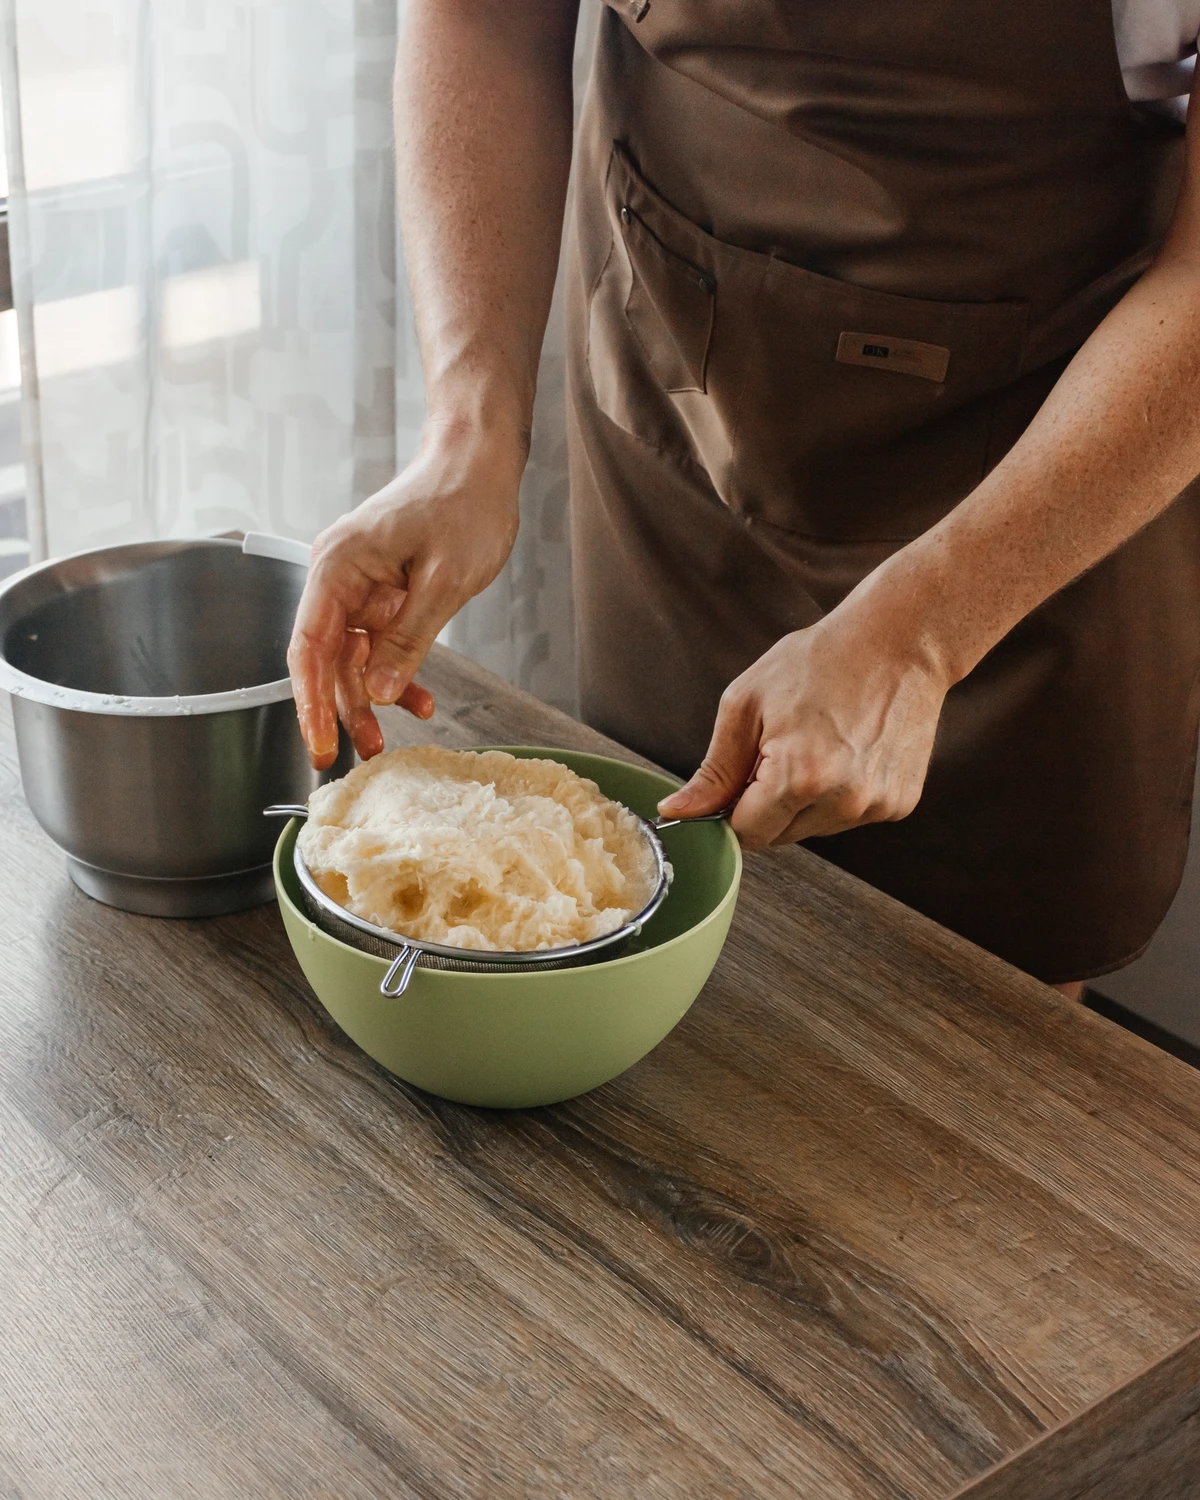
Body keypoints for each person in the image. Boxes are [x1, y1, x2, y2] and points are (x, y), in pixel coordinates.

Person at [287, 1, 1200, 1000]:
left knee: (964, 1060)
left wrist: (927, 631)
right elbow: (487, 17)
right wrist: (468, 432)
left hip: (1038, 485)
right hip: (676, 414)